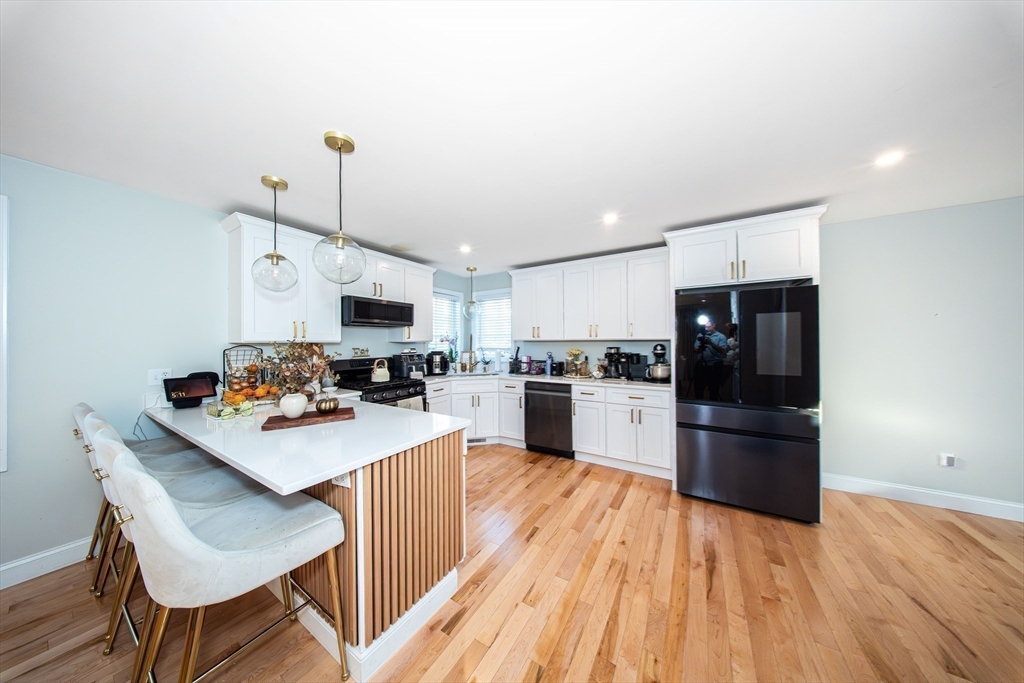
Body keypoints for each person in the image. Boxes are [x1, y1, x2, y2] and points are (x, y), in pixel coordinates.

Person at [693, 317, 728, 400]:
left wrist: (710, 343)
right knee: (698, 389)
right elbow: (695, 351)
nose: (706, 329)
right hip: (701, 366)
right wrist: (702, 346)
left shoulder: (720, 337)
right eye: (705, 327)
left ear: (714, 325)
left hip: (714, 366)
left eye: (708, 327)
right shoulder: (700, 335)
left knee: (713, 390)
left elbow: (722, 351)